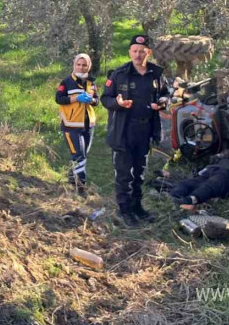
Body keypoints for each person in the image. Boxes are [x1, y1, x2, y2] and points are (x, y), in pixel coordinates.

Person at [101, 35, 171, 227]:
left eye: (142, 51)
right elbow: (105, 99)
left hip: (146, 129)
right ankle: (125, 211)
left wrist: (163, 102)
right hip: (124, 129)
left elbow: (166, 94)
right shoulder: (119, 74)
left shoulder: (156, 74)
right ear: (130, 52)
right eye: (135, 51)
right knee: (124, 173)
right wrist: (118, 102)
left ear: (148, 53)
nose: (138, 55)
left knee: (140, 172)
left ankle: (137, 207)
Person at [55, 54, 98, 195]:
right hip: (71, 125)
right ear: (74, 65)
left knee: (82, 155)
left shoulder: (92, 83)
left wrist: (91, 100)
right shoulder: (66, 82)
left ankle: (71, 182)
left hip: (88, 124)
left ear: (88, 66)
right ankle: (81, 188)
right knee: (79, 156)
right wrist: (76, 98)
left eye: (84, 65)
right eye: (78, 64)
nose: (81, 67)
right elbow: (59, 99)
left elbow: (97, 101)